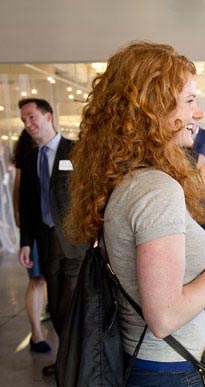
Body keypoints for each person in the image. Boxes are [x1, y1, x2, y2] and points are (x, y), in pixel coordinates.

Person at [65, 41, 205, 386]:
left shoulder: (129, 179)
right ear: (154, 108)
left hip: (149, 362)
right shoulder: (156, 189)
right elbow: (163, 317)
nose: (199, 113)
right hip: (171, 369)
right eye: (190, 100)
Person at [18, 98, 88, 376]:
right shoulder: (31, 158)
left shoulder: (76, 151)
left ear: (48, 116)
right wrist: (25, 242)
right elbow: (27, 205)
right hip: (46, 242)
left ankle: (78, 362)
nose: (28, 124)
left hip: (74, 241)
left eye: (32, 117)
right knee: (56, 305)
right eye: (24, 120)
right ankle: (67, 360)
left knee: (69, 303)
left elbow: (89, 194)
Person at [12, 129, 51, 354]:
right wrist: (21, 224)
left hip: (52, 229)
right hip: (34, 227)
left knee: (48, 279)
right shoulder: (28, 153)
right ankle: (36, 333)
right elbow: (19, 190)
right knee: (37, 279)